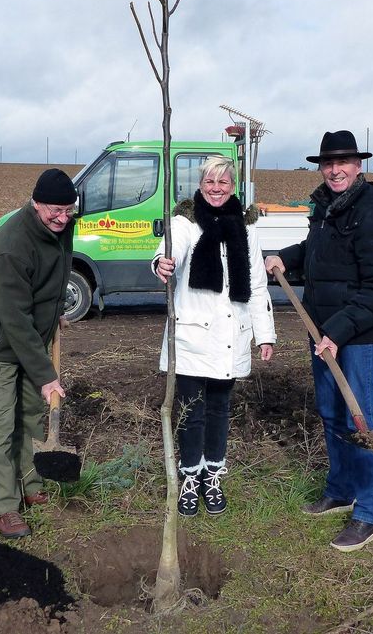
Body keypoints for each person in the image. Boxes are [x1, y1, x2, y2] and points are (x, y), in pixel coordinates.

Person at [264, 130, 373, 552]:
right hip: (320, 329)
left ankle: (369, 513)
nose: (335, 170)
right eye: (328, 163)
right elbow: (317, 250)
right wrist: (286, 257)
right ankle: (341, 490)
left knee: (361, 418)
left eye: (343, 163)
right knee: (330, 412)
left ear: (358, 166)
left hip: (354, 336)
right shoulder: (326, 205)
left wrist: (338, 333)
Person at [152, 155, 276, 517]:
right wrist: (162, 262)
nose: (216, 188)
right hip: (192, 336)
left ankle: (213, 476)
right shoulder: (186, 220)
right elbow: (170, 249)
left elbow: (255, 282)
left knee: (220, 410)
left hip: (230, 335)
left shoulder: (247, 227)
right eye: (210, 181)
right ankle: (190, 478)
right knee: (192, 411)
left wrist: (264, 335)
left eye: (223, 182)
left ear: (233, 186)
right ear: (201, 184)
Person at [0, 168, 77, 538]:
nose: (62, 218)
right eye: (54, 211)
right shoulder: (10, 246)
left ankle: (30, 486)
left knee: (29, 416)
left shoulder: (61, 229)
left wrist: (54, 310)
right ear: (35, 204)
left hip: (30, 339)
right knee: (0, 426)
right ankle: (5, 506)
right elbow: (13, 319)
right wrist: (47, 376)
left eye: (68, 210)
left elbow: (53, 277)